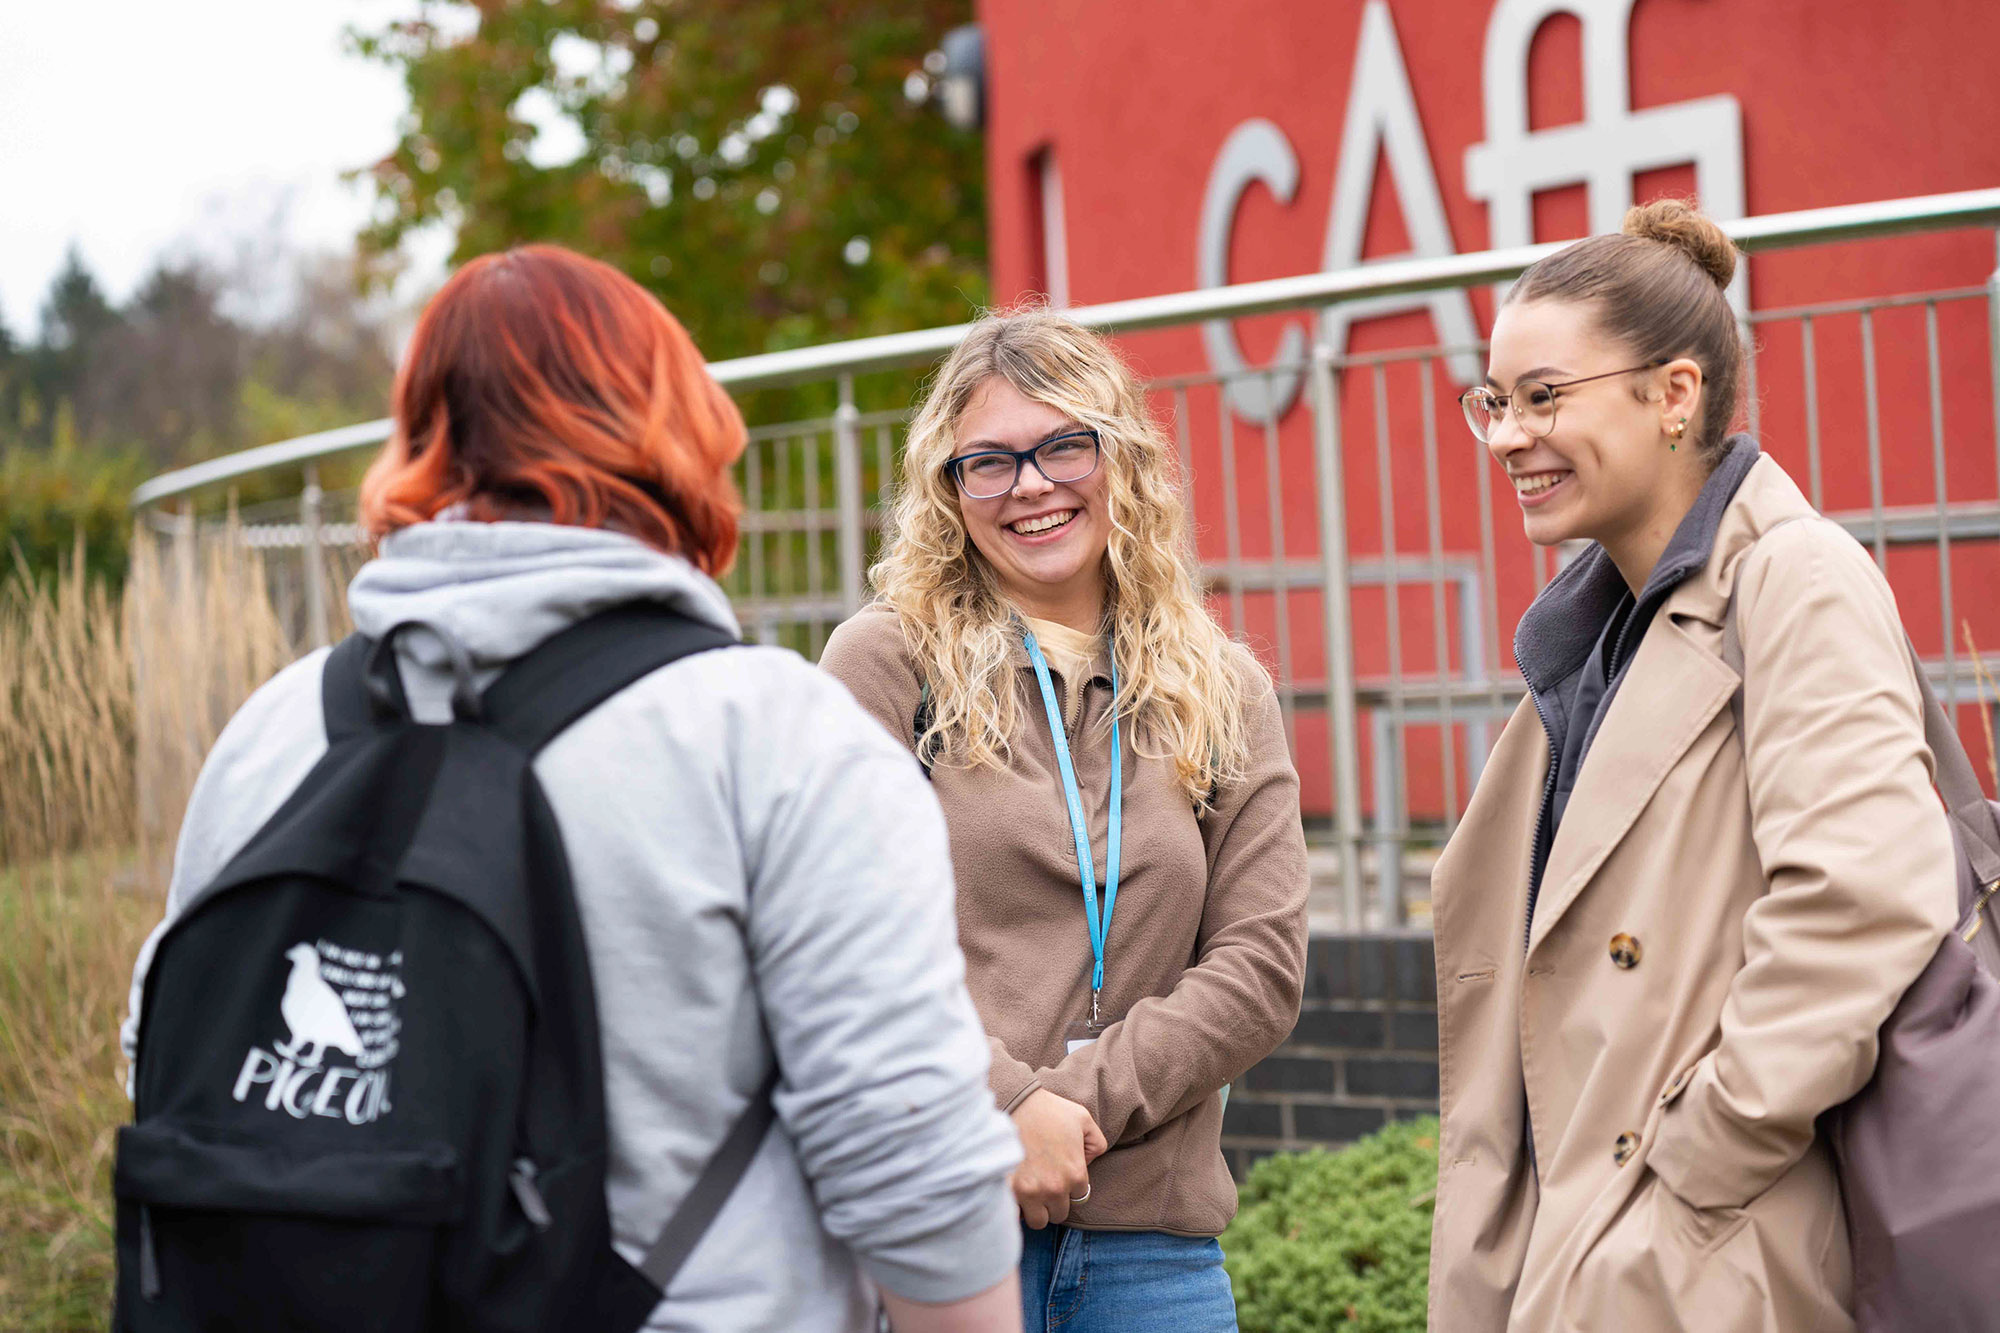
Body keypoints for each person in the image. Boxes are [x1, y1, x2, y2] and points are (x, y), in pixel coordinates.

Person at [121, 245, 1026, 1333]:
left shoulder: (272, 730)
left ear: (421, 437)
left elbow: (167, 1059)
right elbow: (911, 1162)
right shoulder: (770, 735)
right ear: (675, 430)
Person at [1428, 200, 1958, 1331]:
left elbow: (1860, 901)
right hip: (1584, 1237)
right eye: (1493, 401)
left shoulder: (1790, 578)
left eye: (1542, 397)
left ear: (1672, 395)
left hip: (1698, 1257)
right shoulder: (1594, 630)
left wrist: (1690, 1172)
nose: (1506, 436)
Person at [819, 309, 1309, 1333]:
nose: (1030, 485)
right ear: (946, 494)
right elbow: (836, 942)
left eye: (1060, 446)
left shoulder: (1218, 688)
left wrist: (1071, 1109)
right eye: (986, 463)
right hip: (938, 1226)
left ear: (1116, 458)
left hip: (1151, 1255)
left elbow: (1260, 965)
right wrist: (1000, 1106)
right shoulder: (882, 665)